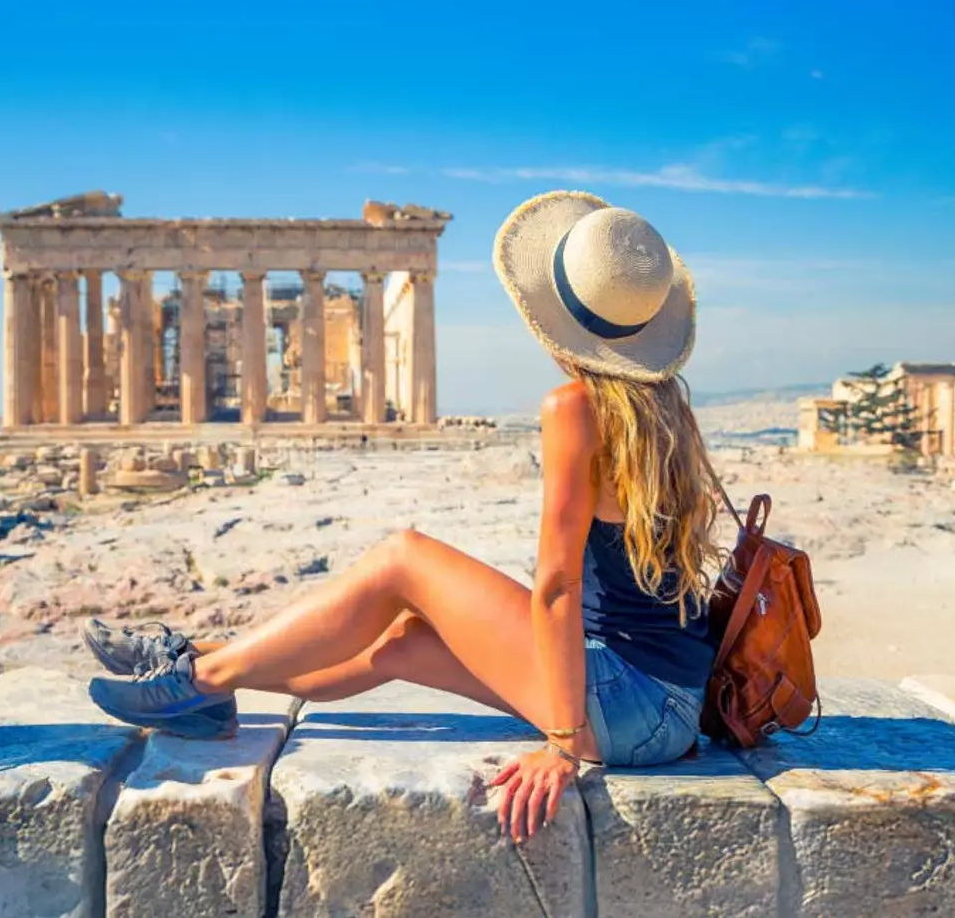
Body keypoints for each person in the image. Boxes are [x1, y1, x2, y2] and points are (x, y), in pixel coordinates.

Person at [83, 190, 722, 844]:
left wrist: (560, 747)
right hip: (668, 704)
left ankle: (196, 681)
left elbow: (556, 587)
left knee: (404, 557)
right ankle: (205, 670)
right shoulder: (668, 407)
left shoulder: (576, 408)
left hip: (623, 704)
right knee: (402, 643)